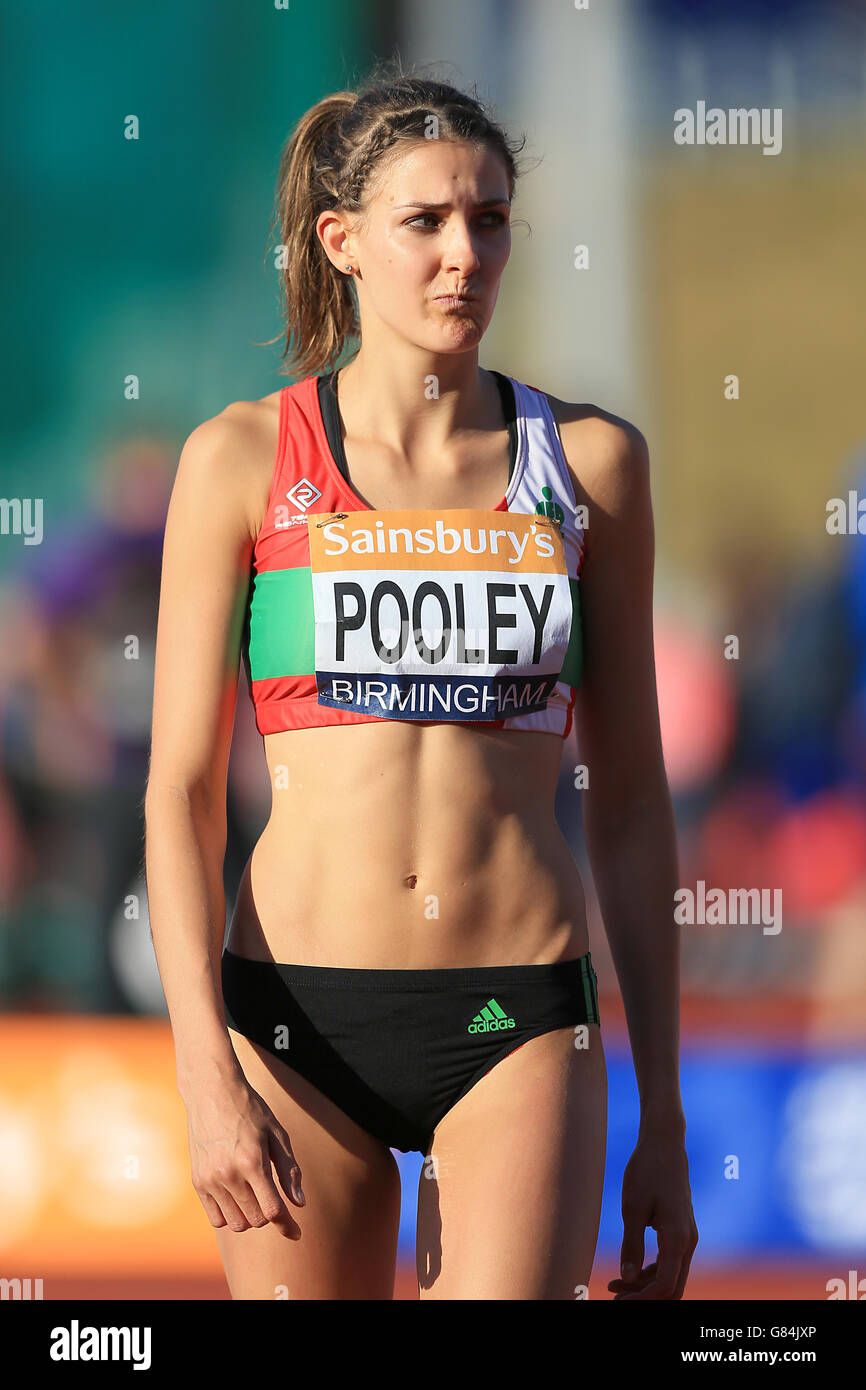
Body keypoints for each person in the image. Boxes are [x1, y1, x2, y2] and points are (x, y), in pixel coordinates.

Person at [145, 65, 698, 1301]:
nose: (465, 255)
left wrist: (662, 1111)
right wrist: (201, 1072)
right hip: (294, 1018)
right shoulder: (240, 457)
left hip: (517, 1015)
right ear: (340, 241)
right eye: (426, 222)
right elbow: (179, 791)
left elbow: (630, 804)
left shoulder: (592, 463)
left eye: (489, 219)